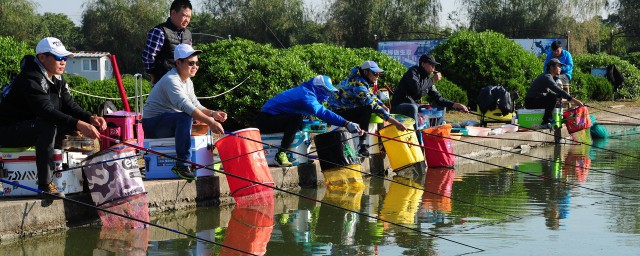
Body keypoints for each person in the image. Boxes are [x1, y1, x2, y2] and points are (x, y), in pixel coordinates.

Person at [0, 37, 107, 199]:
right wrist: (79, 124)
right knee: (48, 126)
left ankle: (82, 178)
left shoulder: (57, 78)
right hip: (7, 130)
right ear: (42, 57)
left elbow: (70, 106)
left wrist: (90, 118)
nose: (63, 61)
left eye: (64, 58)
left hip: (30, 126)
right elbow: (45, 111)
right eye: (58, 57)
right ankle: (45, 184)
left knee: (73, 131)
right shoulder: (30, 78)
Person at [142, 44, 226, 181]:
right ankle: (182, 165)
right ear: (178, 63)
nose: (195, 66)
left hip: (168, 121)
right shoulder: (171, 80)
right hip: (153, 124)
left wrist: (213, 114)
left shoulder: (187, 81)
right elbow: (185, 106)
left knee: (187, 117)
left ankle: (195, 163)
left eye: (197, 63)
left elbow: (196, 105)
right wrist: (210, 122)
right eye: (191, 63)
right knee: (185, 117)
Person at [256, 75, 363, 167]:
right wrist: (346, 123)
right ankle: (280, 154)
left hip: (274, 117)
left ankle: (301, 155)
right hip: (265, 120)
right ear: (318, 88)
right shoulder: (306, 95)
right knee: (296, 119)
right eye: (326, 91)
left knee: (305, 121)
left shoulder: (307, 91)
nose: (328, 95)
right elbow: (323, 113)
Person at [328, 61, 407, 157]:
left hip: (347, 108)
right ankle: (362, 146)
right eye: (375, 73)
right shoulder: (358, 84)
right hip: (337, 112)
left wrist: (382, 105)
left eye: (379, 74)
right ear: (366, 72)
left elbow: (370, 96)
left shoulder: (361, 80)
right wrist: (396, 123)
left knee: (371, 109)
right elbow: (372, 105)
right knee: (368, 109)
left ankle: (377, 144)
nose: (377, 76)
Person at [391, 54, 468, 142]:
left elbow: (438, 98)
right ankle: (417, 140)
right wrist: (433, 80)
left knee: (440, 109)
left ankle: (435, 138)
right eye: (432, 65)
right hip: (399, 107)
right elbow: (417, 89)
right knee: (413, 107)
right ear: (423, 64)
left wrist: (454, 105)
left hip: (414, 107)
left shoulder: (427, 80)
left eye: (434, 65)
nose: (434, 67)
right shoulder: (412, 72)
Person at [142, 0, 193, 85]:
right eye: (184, 15)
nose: (187, 20)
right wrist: (154, 75)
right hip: (163, 81)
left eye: (189, 17)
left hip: (183, 81)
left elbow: (190, 58)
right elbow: (148, 56)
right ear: (173, 13)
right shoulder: (159, 31)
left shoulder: (188, 34)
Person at [526, 58, 583, 129]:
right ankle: (546, 122)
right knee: (552, 97)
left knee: (555, 96)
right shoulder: (547, 77)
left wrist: (560, 96)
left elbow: (554, 92)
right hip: (531, 102)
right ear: (551, 67)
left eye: (560, 67)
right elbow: (557, 89)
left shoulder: (549, 76)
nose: (560, 68)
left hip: (536, 100)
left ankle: (551, 120)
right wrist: (574, 100)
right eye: (558, 66)